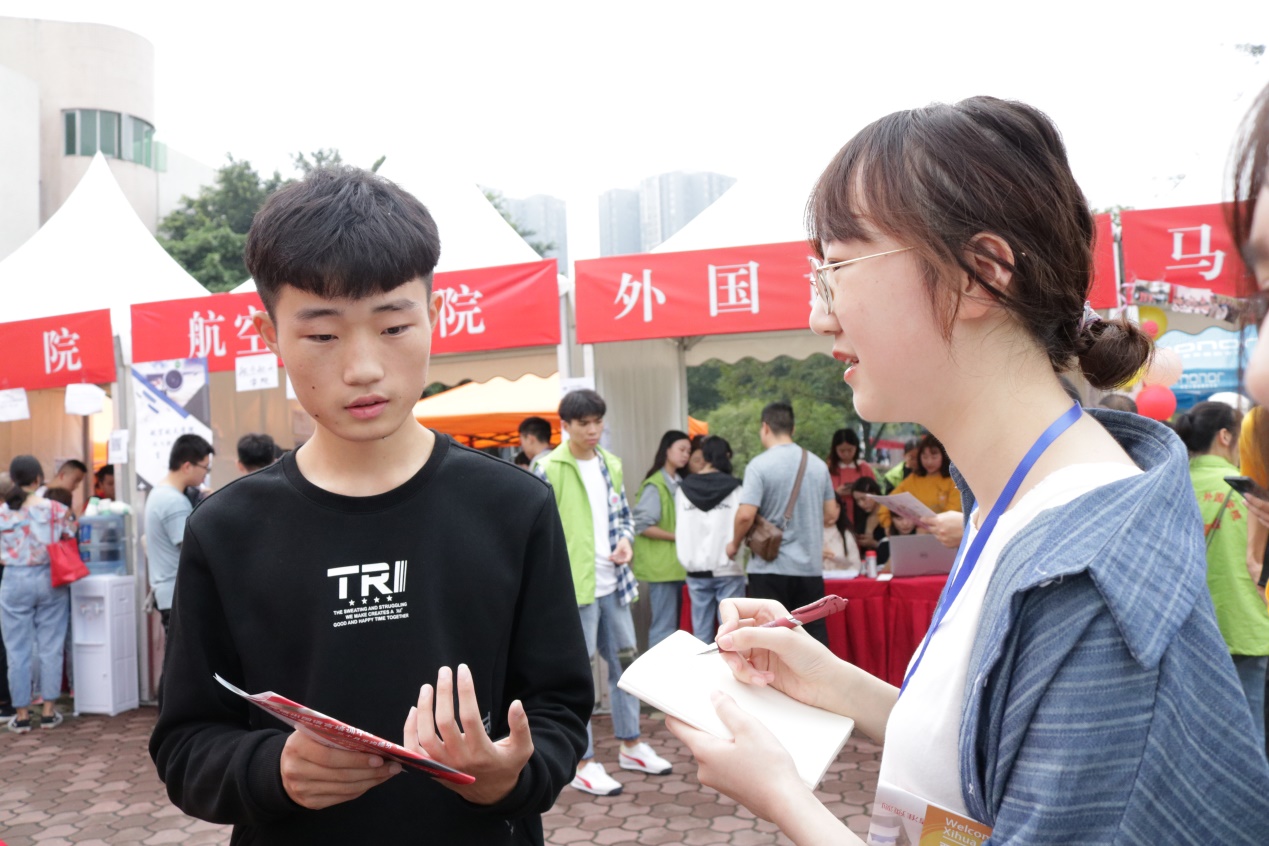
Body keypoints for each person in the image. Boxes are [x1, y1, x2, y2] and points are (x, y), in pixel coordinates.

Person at [668, 96, 1269, 844]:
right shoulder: (1018, 503)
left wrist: (788, 801)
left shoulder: (1087, 586)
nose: (820, 316)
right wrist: (827, 683)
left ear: (979, 275)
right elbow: (998, 759)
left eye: (837, 270)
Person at [150, 166, 592, 846]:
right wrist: (274, 770)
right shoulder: (227, 530)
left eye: (391, 326)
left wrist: (508, 776)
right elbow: (185, 743)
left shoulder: (513, 506)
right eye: (322, 335)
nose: (361, 366)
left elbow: (559, 708)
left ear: (434, 317)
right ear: (269, 335)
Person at [536, 388, 673, 796]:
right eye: (584, 424)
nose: (593, 430)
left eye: (598, 422)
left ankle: (631, 743)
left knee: (627, 668)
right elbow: (538, 531)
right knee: (579, 675)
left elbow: (622, 517)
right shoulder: (549, 467)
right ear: (566, 426)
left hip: (615, 584)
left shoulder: (611, 463)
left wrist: (627, 541)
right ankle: (582, 760)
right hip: (575, 588)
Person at [1175, 401, 1269, 750]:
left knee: (1198, 737)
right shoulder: (1253, 490)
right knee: (1250, 734)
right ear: (1226, 436)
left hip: (1188, 629)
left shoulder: (1173, 484)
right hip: (1246, 622)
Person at [726, 401, 838, 647]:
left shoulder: (759, 465)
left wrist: (734, 544)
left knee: (769, 638)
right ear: (793, 428)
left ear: (765, 427)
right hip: (808, 568)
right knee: (812, 637)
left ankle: (771, 686)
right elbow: (831, 514)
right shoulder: (819, 466)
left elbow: (745, 515)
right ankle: (816, 684)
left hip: (769, 569)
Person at [0, 455, 75, 732]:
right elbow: (71, 532)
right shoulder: (55, 508)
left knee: (16, 649)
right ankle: (48, 711)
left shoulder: (3, 512)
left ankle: (20, 714)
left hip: (14, 580)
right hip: (50, 577)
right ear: (38, 479)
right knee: (51, 645)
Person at [675, 435, 745, 642]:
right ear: (726, 456)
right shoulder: (736, 487)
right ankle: (730, 672)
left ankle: (704, 672)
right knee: (730, 631)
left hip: (695, 568)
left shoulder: (684, 488)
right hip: (728, 566)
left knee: (701, 632)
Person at [144, 434, 214, 637]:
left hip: (168, 594)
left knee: (177, 665)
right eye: (205, 468)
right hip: (178, 595)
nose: (205, 475)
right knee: (182, 667)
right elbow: (193, 547)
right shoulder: (174, 501)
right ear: (187, 466)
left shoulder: (159, 492)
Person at [632, 429, 691, 649]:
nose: (685, 455)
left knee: (676, 627)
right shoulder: (655, 484)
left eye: (688, 451)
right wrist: (679, 536)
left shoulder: (678, 481)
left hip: (675, 566)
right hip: (662, 568)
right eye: (681, 449)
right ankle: (654, 680)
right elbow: (642, 525)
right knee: (664, 627)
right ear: (667, 450)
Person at [878, 433, 962, 530]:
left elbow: (953, 512)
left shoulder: (953, 481)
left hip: (945, 534)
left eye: (934, 457)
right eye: (925, 457)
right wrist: (888, 525)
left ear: (944, 456)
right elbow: (888, 502)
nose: (929, 462)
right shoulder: (913, 479)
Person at [826, 428, 875, 532]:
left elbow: (875, 494)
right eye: (842, 450)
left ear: (856, 448)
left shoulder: (864, 468)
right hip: (836, 519)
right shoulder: (828, 469)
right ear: (835, 449)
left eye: (850, 450)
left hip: (862, 518)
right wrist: (836, 493)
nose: (846, 454)